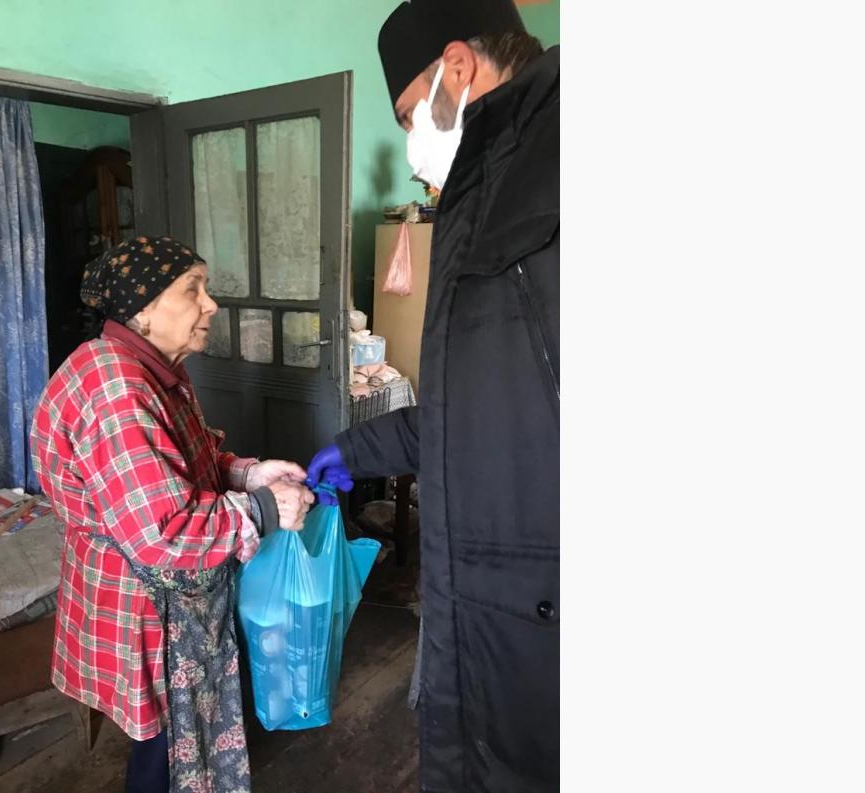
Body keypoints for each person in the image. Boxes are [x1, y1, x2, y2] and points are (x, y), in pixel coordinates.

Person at [306, 2, 559, 790]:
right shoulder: (480, 196)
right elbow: (478, 411)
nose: (413, 143)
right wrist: (355, 448)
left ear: (457, 68)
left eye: (409, 114)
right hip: (482, 621)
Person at [31, 235, 315, 793]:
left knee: (170, 739)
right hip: (146, 607)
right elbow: (164, 531)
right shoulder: (117, 390)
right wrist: (266, 506)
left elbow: (186, 463)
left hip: (164, 604)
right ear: (142, 310)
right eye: (192, 289)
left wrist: (251, 475)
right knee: (166, 745)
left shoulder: (150, 368)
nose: (211, 304)